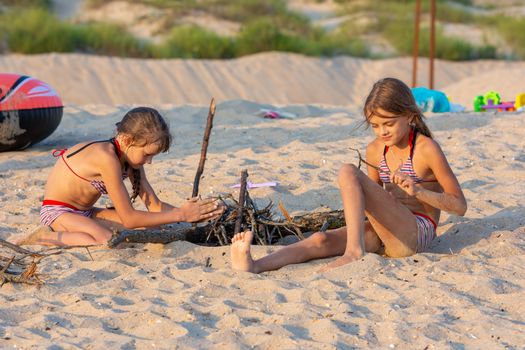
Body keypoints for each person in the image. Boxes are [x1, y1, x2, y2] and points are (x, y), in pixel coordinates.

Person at [230, 77, 467, 273]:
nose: (382, 131)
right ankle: (254, 266)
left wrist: (419, 191)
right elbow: (371, 202)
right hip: (387, 232)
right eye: (375, 125)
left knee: (347, 171)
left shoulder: (426, 148)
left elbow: (459, 206)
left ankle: (354, 251)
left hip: (416, 234)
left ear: (410, 116)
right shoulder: (375, 150)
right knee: (321, 240)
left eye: (389, 124)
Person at [19, 107, 224, 246]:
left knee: (155, 225)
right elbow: (129, 219)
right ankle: (43, 238)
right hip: (58, 211)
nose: (149, 161)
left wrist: (200, 212)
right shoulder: (106, 158)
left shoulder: (130, 158)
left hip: (86, 211)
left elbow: (154, 205)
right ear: (127, 139)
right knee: (105, 240)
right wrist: (181, 215)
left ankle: (76, 230)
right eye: (147, 154)